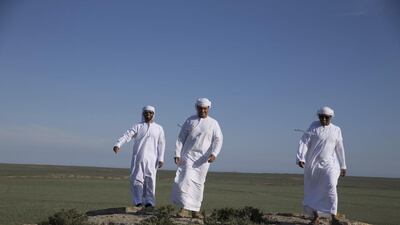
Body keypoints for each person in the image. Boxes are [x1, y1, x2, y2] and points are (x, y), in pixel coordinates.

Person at [171, 98, 223, 219]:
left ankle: (195, 210)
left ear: (208, 109)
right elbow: (180, 138)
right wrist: (177, 154)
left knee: (199, 183)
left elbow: (218, 140)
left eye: (205, 109)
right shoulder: (190, 120)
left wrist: (214, 153)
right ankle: (184, 209)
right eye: (200, 108)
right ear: (197, 108)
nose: (203, 111)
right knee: (186, 180)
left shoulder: (214, 123)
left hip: (203, 159)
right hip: (188, 155)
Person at [296, 106, 347, 225]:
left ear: (331, 117)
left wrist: (343, 165)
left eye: (326, 117)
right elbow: (304, 141)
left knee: (331, 186)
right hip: (313, 164)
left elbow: (340, 147)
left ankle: (333, 217)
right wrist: (300, 158)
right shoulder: (313, 127)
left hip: (331, 164)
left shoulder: (336, 130)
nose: (323, 120)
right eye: (321, 117)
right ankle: (316, 217)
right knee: (313, 189)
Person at [113, 105, 165, 211]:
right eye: (146, 113)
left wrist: (161, 158)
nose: (148, 115)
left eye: (150, 113)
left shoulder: (159, 128)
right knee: (137, 179)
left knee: (150, 180)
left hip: (152, 159)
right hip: (139, 157)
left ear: (153, 114)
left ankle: (150, 202)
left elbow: (161, 143)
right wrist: (118, 144)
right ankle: (138, 202)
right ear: (143, 114)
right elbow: (127, 135)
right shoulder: (138, 126)